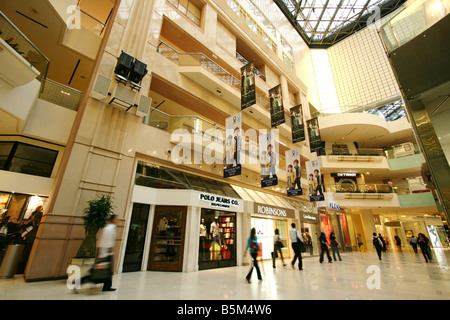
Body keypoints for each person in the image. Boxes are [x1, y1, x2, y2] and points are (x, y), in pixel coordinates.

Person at [98, 214, 118, 292]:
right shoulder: (108, 229)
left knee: (108, 271)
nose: (117, 220)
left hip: (108, 252)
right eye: (116, 219)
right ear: (113, 219)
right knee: (103, 271)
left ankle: (107, 286)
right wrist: (102, 254)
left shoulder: (112, 228)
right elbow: (104, 242)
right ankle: (80, 281)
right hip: (106, 253)